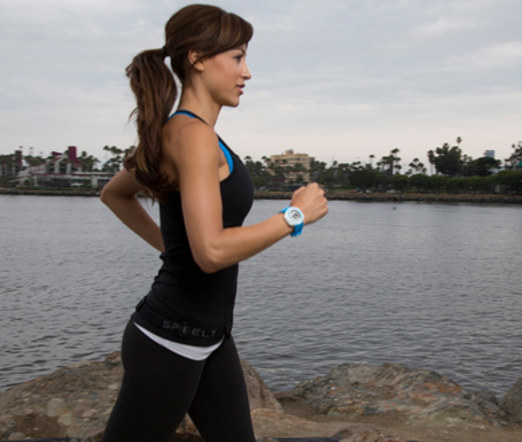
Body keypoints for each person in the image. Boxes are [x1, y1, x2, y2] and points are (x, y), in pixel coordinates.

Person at [99, 4, 328, 441]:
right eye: (237, 57)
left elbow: (114, 193)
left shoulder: (182, 134)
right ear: (197, 58)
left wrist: (170, 246)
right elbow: (211, 253)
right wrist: (294, 216)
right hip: (169, 342)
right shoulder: (191, 135)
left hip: (210, 337)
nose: (247, 72)